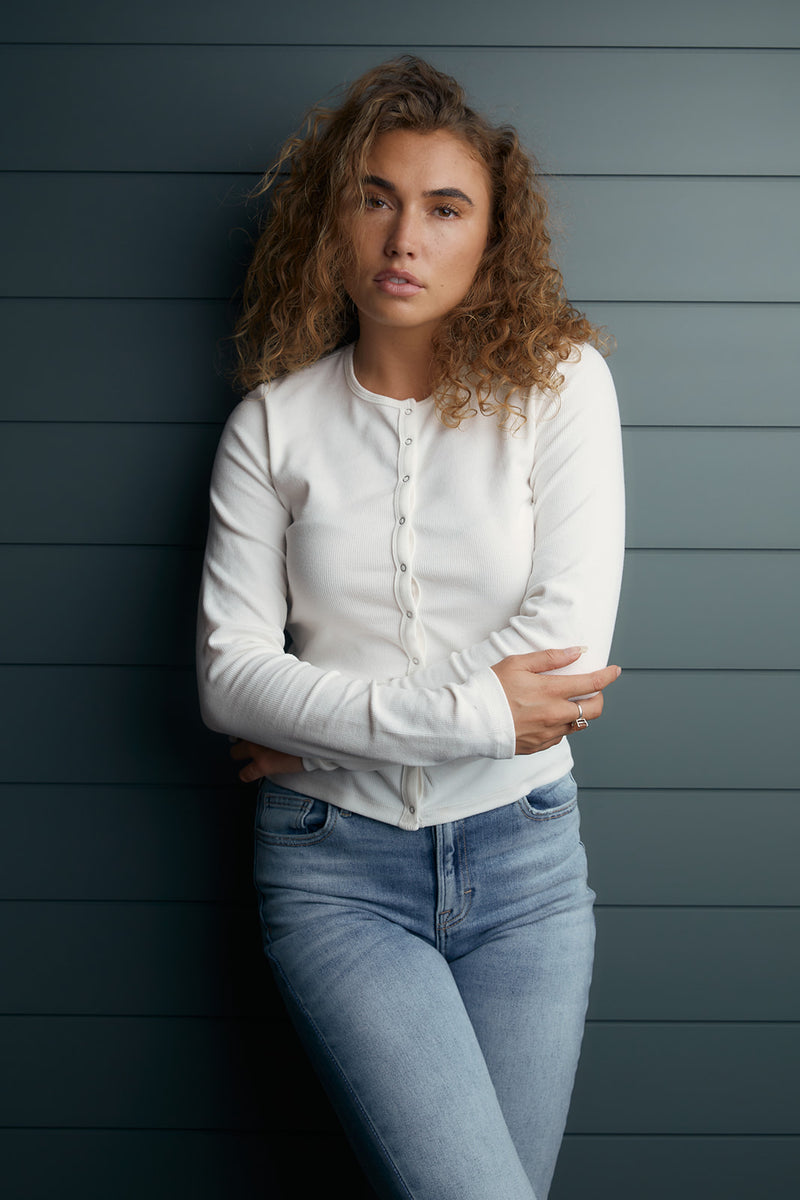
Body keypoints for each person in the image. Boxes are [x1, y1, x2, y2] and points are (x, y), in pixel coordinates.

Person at [197, 56, 624, 1200]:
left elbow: (566, 656)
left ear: (490, 238)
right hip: (333, 876)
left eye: (445, 208)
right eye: (374, 196)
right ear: (331, 221)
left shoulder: (562, 388)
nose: (404, 236)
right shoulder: (270, 428)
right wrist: (474, 715)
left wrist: (330, 732)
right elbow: (230, 683)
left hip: (525, 864)